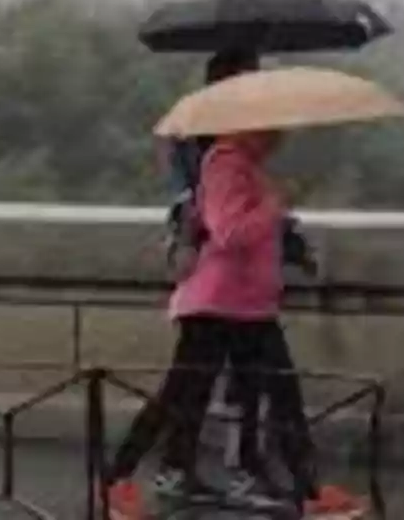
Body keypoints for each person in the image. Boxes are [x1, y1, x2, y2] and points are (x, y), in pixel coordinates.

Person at [105, 123, 310, 516]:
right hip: (220, 304)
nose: (281, 137)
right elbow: (230, 232)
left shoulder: (245, 166)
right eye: (273, 129)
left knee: (244, 393)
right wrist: (273, 205)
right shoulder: (224, 163)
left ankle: (188, 473)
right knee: (185, 395)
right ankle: (120, 479)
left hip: (248, 304)